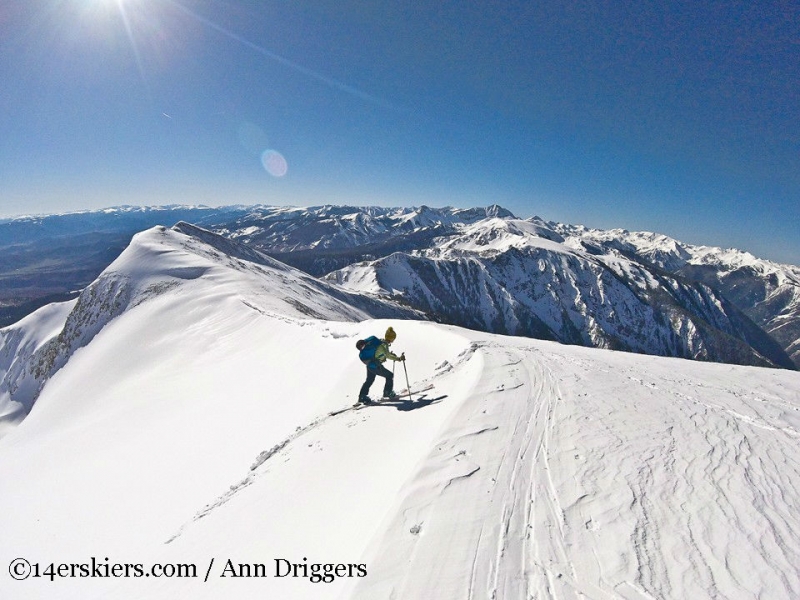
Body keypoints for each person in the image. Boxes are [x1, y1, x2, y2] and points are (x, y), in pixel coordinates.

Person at [355, 326, 405, 404]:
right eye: (393, 339)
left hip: (370, 365)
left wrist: (388, 354)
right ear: (391, 339)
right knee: (389, 375)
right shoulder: (383, 345)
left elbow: (380, 354)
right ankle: (387, 393)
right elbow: (387, 356)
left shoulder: (380, 341)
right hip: (376, 366)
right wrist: (399, 358)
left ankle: (362, 396)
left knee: (369, 380)